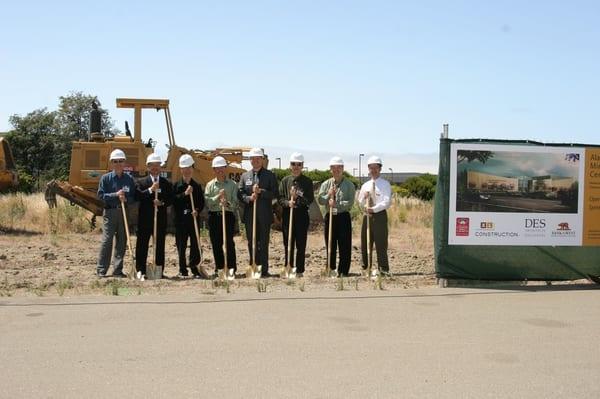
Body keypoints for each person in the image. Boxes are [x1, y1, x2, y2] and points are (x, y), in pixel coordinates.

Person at [238, 147, 278, 278]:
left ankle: (264, 269)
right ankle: (254, 266)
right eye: (253, 159)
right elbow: (240, 193)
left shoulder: (270, 175)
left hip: (265, 215)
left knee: (264, 241)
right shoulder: (245, 176)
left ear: (262, 160)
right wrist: (249, 198)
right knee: (252, 241)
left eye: (258, 158)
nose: (255, 161)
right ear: (250, 160)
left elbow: (275, 194)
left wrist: (261, 192)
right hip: (250, 215)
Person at [96, 149, 136, 277]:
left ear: (124, 163)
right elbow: (101, 195)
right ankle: (101, 270)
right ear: (111, 163)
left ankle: (118, 270)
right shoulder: (105, 179)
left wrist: (126, 199)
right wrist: (115, 195)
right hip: (110, 212)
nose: (118, 163)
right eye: (115, 161)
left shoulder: (129, 179)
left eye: (120, 161)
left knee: (122, 241)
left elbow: (133, 197)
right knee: (107, 241)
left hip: (124, 212)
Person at [134, 153, 173, 279]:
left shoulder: (166, 183)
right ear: (148, 167)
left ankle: (158, 271)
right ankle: (140, 270)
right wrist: (151, 189)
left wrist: (161, 203)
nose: (155, 168)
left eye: (158, 165)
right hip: (145, 219)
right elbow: (138, 196)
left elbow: (171, 199)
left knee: (159, 245)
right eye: (153, 165)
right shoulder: (141, 182)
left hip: (160, 219)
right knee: (142, 245)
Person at [317, 156, 355, 277]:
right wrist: (328, 195)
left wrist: (337, 204)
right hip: (330, 217)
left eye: (339, 167)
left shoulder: (349, 185)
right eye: (334, 168)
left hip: (343, 217)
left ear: (343, 169)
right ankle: (331, 268)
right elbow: (320, 200)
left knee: (344, 245)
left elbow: (349, 202)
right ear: (330, 169)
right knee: (330, 244)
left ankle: (343, 271)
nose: (336, 170)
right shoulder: (325, 184)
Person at [277, 152, 314, 277]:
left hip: (302, 215)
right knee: (288, 243)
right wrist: (288, 203)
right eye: (294, 164)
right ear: (290, 165)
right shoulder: (285, 181)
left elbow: (310, 199)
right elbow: (280, 198)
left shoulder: (307, 181)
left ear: (302, 166)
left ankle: (299, 270)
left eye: (299, 164)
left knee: (301, 244)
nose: (296, 166)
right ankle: (289, 267)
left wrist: (298, 197)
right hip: (288, 215)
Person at [172, 154, 206, 278]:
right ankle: (182, 269)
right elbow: (173, 201)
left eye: (189, 167)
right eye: (184, 168)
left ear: (192, 168)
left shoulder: (196, 186)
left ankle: (194, 267)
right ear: (181, 169)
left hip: (193, 220)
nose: (187, 170)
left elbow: (201, 203)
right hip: (180, 220)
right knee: (181, 244)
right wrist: (185, 194)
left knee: (195, 245)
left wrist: (197, 210)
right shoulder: (176, 186)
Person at [358, 155, 392, 276]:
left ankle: (383, 269)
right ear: (368, 169)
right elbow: (360, 201)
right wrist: (364, 199)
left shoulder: (385, 184)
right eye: (371, 168)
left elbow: (387, 202)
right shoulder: (365, 185)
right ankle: (366, 267)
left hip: (379, 216)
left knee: (381, 243)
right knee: (365, 241)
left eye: (376, 167)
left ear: (380, 168)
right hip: (367, 216)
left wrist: (374, 209)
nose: (373, 170)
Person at [204, 156, 238, 277]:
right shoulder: (210, 185)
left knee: (229, 242)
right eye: (217, 168)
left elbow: (235, 202)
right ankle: (219, 268)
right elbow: (207, 201)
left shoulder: (233, 185)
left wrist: (227, 203)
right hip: (214, 216)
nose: (220, 170)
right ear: (213, 170)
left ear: (225, 168)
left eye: (222, 168)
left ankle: (231, 268)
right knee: (216, 243)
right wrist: (217, 197)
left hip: (227, 216)